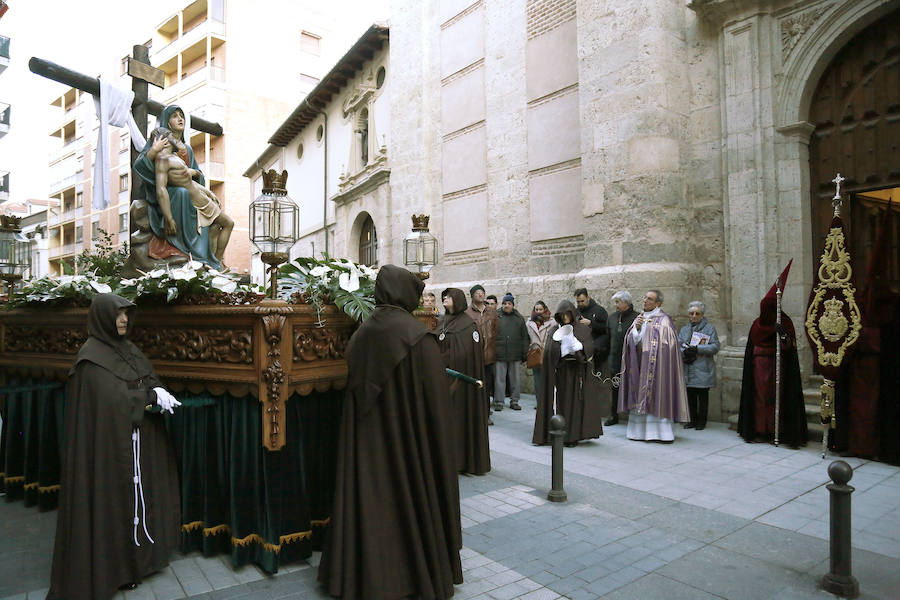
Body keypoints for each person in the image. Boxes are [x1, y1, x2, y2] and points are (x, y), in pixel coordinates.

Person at [318, 265, 462, 599]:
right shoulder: (417, 337)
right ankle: (410, 574)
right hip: (408, 444)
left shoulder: (363, 333)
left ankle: (360, 575)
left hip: (367, 441)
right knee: (407, 499)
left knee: (370, 499)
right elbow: (435, 405)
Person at [47, 294, 182, 600]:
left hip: (136, 441)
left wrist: (156, 388)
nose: (123, 320)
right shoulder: (90, 357)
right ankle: (117, 570)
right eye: (118, 314)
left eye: (126, 314)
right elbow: (110, 400)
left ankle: (139, 562)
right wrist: (147, 398)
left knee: (137, 502)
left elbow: (144, 376)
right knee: (114, 504)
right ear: (102, 317)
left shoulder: (128, 349)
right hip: (110, 452)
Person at [133, 105, 222, 269]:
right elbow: (140, 166)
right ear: (167, 122)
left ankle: (209, 260)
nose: (180, 119)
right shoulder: (160, 139)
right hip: (166, 191)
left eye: (182, 116)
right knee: (182, 193)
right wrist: (153, 150)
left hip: (190, 189)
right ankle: (182, 247)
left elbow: (198, 175)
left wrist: (194, 173)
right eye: (175, 116)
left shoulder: (186, 148)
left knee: (216, 218)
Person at [737, 261, 808, 447]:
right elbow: (751, 348)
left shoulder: (784, 321)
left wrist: (783, 334)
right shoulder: (756, 324)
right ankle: (761, 430)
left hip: (778, 367)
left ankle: (778, 429)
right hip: (758, 368)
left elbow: (789, 346)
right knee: (760, 401)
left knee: (776, 399)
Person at [149, 127, 234, 264]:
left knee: (216, 227)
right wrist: (168, 218)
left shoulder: (174, 158)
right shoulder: (163, 159)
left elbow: (188, 181)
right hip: (196, 201)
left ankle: (213, 261)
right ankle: (217, 262)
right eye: (171, 135)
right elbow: (161, 190)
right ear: (164, 140)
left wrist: (208, 192)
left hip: (200, 198)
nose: (175, 138)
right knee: (228, 223)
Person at [619, 290, 690, 441]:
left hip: (658, 368)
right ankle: (638, 433)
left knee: (658, 397)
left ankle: (659, 433)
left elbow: (669, 346)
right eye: (644, 297)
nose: (645, 301)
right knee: (639, 396)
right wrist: (636, 330)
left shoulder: (664, 321)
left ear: (658, 303)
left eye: (650, 299)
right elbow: (631, 341)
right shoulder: (639, 318)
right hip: (639, 366)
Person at [532, 300, 604, 446]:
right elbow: (549, 353)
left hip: (577, 374)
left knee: (575, 405)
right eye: (562, 315)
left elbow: (589, 349)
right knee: (560, 404)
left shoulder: (583, 330)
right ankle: (558, 432)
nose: (565, 318)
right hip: (560, 373)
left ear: (572, 314)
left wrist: (579, 349)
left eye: (567, 314)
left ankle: (572, 436)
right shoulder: (554, 330)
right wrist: (561, 350)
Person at [438, 288, 491, 475]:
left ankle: (464, 461)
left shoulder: (468, 325)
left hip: (462, 384)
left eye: (449, 296)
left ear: (458, 300)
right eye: (444, 296)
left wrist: (445, 359)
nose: (445, 298)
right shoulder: (442, 321)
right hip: (444, 381)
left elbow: (468, 353)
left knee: (462, 419)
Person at [678, 301, 720, 430]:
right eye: (691, 313)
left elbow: (715, 346)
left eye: (697, 313)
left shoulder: (709, 328)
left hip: (703, 368)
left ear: (702, 315)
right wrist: (684, 351)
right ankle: (692, 420)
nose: (694, 316)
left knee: (702, 397)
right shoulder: (684, 329)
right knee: (690, 396)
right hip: (688, 367)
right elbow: (678, 345)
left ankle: (702, 421)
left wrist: (698, 349)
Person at [605, 290, 638, 425]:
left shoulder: (637, 318)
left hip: (631, 361)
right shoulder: (612, 318)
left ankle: (633, 416)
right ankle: (614, 415)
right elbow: (608, 337)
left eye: (618, 302)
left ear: (626, 303)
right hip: (614, 360)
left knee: (632, 388)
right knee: (615, 389)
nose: (616, 305)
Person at [494, 293, 529, 411]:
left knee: (515, 379)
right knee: (499, 379)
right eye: (504, 303)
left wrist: (525, 353)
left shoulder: (519, 318)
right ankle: (499, 401)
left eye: (509, 303)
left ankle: (514, 400)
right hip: (500, 353)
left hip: (515, 353)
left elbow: (525, 337)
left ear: (513, 305)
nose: (506, 306)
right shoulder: (496, 316)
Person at [466, 285, 498, 411]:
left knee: (487, 385)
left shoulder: (492, 312)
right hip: (474, 355)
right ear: (472, 295)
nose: (480, 295)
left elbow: (496, 332)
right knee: (475, 384)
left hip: (489, 355)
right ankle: (475, 410)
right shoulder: (467, 313)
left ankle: (486, 411)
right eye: (477, 293)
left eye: (482, 292)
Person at [526, 301, 555, 410]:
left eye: (540, 309)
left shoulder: (552, 323)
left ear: (545, 309)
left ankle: (548, 401)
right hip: (535, 353)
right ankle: (539, 402)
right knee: (537, 380)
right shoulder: (529, 323)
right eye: (536, 309)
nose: (538, 312)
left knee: (547, 379)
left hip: (547, 353)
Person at [575, 288, 611, 372]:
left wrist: (590, 324)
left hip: (596, 349)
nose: (580, 304)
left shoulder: (599, 311)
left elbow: (606, 329)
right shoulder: (577, 312)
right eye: (578, 302)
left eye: (582, 301)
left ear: (588, 298)